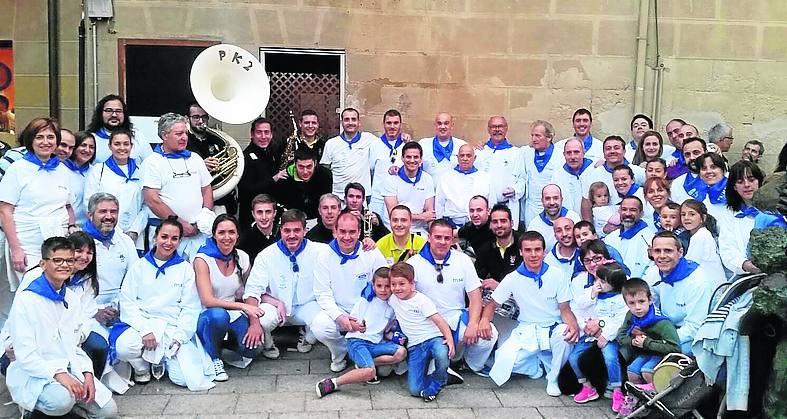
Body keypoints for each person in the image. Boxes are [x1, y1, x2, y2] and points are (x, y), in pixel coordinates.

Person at [5, 237, 117, 418]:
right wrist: (59, 375)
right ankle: (31, 410)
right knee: (61, 401)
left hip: (68, 367)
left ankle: (69, 405)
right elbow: (25, 355)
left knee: (108, 412)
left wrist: (87, 372)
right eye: (57, 260)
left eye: (69, 261)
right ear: (43, 264)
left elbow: (74, 345)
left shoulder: (71, 299)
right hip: (36, 372)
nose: (64, 265)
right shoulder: (27, 300)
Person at [112, 217, 215, 390]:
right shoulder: (139, 266)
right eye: (164, 237)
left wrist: (179, 337)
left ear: (179, 241)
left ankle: (164, 360)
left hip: (171, 328)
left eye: (174, 239)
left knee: (184, 379)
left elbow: (190, 307)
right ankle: (142, 368)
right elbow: (127, 302)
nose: (168, 242)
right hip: (144, 325)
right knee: (124, 347)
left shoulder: (185, 269)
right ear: (155, 237)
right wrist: (145, 330)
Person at [485, 231, 579, 396]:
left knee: (565, 335)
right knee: (503, 364)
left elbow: (564, 308)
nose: (533, 254)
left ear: (544, 251)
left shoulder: (557, 274)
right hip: (526, 330)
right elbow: (492, 304)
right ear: (521, 252)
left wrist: (572, 325)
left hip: (553, 327)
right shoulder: (512, 278)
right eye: (528, 250)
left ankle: (553, 378)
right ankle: (537, 365)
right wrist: (484, 321)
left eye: (537, 249)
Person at [409, 219, 498, 378]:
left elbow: (475, 296)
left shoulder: (462, 260)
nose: (442, 242)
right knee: (433, 363)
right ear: (429, 237)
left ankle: (468, 363)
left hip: (456, 317)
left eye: (447, 238)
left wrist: (473, 323)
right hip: (427, 323)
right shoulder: (414, 263)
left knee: (489, 336)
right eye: (438, 237)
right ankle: (442, 362)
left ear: (452, 239)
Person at [0, 117, 77, 289]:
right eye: (39, 137)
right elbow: (4, 211)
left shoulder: (63, 170)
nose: (45, 142)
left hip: (57, 243)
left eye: (50, 137)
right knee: (32, 289)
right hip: (27, 243)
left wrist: (71, 230)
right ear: (30, 140)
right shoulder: (17, 169)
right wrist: (16, 249)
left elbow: (67, 205)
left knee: (56, 288)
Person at [311, 212, 387, 372]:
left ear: (359, 232)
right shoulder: (324, 255)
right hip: (339, 309)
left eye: (352, 232)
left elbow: (385, 284)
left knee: (385, 371)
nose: (347, 237)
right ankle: (341, 352)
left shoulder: (371, 252)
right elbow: (322, 293)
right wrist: (340, 317)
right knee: (320, 326)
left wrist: (369, 316)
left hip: (366, 310)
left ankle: (362, 349)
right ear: (334, 231)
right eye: (342, 232)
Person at [245, 209, 326, 357]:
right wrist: (255, 324)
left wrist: (367, 244)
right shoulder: (266, 255)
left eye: (297, 230)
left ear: (305, 231)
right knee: (262, 320)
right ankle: (268, 344)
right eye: (287, 230)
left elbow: (345, 250)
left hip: (308, 305)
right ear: (281, 230)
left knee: (326, 325)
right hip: (275, 305)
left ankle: (308, 338)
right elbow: (252, 291)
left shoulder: (320, 251)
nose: (292, 235)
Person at [315, 267, 407, 397]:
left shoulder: (392, 305)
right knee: (370, 372)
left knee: (401, 353)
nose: (383, 290)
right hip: (358, 341)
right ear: (373, 285)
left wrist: (392, 335)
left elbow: (386, 330)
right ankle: (332, 383)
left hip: (375, 343)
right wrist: (358, 326)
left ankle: (363, 364)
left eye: (387, 286)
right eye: (379, 286)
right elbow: (352, 322)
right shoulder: (366, 301)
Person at [194, 214, 259, 382]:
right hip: (208, 313)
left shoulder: (242, 257)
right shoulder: (202, 259)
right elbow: (207, 300)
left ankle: (221, 345)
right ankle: (213, 358)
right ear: (214, 235)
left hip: (233, 311)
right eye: (221, 232)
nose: (227, 237)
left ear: (237, 235)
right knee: (218, 316)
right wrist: (243, 307)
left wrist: (254, 322)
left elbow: (252, 290)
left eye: (232, 232)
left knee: (252, 348)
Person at [141, 113, 213, 258]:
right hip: (167, 236)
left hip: (198, 233)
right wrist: (180, 225)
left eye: (186, 133)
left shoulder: (195, 158)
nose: (184, 138)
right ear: (164, 135)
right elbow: (152, 200)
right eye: (179, 134)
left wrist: (205, 215)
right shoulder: (152, 162)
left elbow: (206, 190)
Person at [386, 262, 455, 402]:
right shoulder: (392, 299)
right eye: (393, 284)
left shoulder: (421, 301)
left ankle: (439, 381)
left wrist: (449, 340)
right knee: (415, 390)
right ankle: (444, 376)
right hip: (415, 346)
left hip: (433, 338)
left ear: (412, 283)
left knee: (442, 354)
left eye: (402, 284)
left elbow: (439, 320)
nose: (397, 288)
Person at [568, 262, 628, 413]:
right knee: (573, 357)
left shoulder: (621, 299)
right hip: (590, 335)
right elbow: (580, 304)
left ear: (614, 284)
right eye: (597, 280)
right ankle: (587, 387)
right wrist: (592, 293)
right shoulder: (594, 292)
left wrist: (606, 336)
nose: (598, 284)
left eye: (602, 281)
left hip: (609, 336)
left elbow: (620, 321)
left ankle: (617, 389)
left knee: (610, 357)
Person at [643, 231, 713, 355]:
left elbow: (695, 327)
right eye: (657, 251)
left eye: (668, 251)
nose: (662, 256)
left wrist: (659, 342)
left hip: (691, 338)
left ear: (680, 252)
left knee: (651, 371)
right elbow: (647, 306)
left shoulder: (698, 281)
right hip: (665, 331)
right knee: (633, 370)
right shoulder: (652, 273)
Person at [82, 193, 139, 323]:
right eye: (103, 212)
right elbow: (73, 288)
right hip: (89, 312)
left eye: (113, 212)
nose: (109, 216)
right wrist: (95, 311)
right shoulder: (79, 244)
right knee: (98, 344)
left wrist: (119, 306)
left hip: (122, 308)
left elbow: (135, 279)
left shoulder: (125, 241)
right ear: (90, 215)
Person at [83, 130, 146, 246]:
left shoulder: (142, 170)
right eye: (117, 144)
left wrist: (135, 230)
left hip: (134, 237)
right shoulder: (98, 170)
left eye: (126, 144)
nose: (122, 148)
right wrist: (113, 230)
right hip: (103, 233)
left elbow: (146, 205)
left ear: (131, 146)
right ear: (109, 146)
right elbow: (88, 203)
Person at [616, 278, 680, 391]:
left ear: (650, 300)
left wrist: (646, 342)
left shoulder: (662, 322)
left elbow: (675, 347)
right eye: (632, 303)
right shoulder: (631, 316)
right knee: (631, 372)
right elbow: (620, 335)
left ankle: (658, 398)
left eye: (641, 301)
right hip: (643, 353)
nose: (637, 307)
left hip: (660, 354)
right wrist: (632, 341)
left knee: (646, 372)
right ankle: (637, 398)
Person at [185, 103, 237, 215]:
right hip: (195, 201)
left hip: (221, 200)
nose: (200, 121)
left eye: (204, 117)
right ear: (187, 118)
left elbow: (233, 163)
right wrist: (201, 166)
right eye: (196, 117)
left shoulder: (218, 139)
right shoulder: (184, 142)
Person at [475, 116, 526, 224]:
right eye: (493, 127)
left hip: (508, 206)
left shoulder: (516, 153)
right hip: (485, 209)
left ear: (506, 128)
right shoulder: (480, 152)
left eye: (500, 126)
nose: (497, 129)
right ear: (488, 129)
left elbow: (522, 179)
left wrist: (515, 190)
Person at [581, 135, 645, 221]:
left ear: (624, 151)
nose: (612, 151)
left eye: (616, 148)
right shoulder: (593, 174)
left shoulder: (636, 171)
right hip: (604, 226)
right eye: (608, 148)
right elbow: (586, 205)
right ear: (603, 152)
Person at [718, 160, 766, 274]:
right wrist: (744, 264)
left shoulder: (777, 208)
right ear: (734, 186)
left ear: (759, 181)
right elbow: (727, 249)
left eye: (751, 179)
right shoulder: (729, 213)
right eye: (740, 181)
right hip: (747, 277)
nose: (747, 185)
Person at [320, 108, 378, 201]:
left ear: (359, 122)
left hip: (361, 198)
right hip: (338, 196)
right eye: (346, 119)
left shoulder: (369, 139)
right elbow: (324, 171)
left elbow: (387, 141)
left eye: (353, 119)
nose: (350, 123)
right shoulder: (331, 144)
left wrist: (402, 137)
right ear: (341, 122)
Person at [238, 117, 283, 228]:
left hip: (272, 214)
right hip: (251, 217)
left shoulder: (274, 152)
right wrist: (274, 179)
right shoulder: (245, 158)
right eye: (259, 132)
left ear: (271, 135)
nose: (263, 137)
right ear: (252, 135)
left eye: (266, 132)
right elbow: (247, 190)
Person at [382, 141, 435, 235]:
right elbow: (394, 213)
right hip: (394, 230)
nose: (412, 160)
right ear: (402, 158)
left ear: (421, 159)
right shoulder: (391, 180)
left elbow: (430, 213)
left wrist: (433, 236)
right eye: (408, 157)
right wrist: (421, 217)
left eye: (416, 157)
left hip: (420, 231)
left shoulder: (427, 179)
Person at [436, 144, 491, 227]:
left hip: (478, 226)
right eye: (462, 156)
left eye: (468, 156)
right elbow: (439, 204)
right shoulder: (446, 177)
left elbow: (491, 203)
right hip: (452, 224)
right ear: (458, 158)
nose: (465, 159)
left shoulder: (485, 177)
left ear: (474, 158)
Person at [271, 147, 332, 221]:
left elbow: (325, 201)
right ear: (295, 164)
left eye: (309, 167)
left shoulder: (325, 175)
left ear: (315, 163)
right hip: (291, 218)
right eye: (301, 167)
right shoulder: (284, 178)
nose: (305, 171)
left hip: (317, 218)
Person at [86, 94, 151, 163]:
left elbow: (150, 165)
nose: (114, 115)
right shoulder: (91, 139)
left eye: (118, 111)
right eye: (109, 110)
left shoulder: (138, 137)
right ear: (100, 114)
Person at [522, 120, 564, 226]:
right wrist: (482, 146)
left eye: (538, 136)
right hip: (531, 208)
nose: (533, 139)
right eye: (532, 135)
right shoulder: (526, 152)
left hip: (552, 208)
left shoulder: (560, 156)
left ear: (549, 137)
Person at [369, 109, 407, 226]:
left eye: (395, 123)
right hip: (378, 199)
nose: (392, 126)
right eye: (388, 123)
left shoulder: (407, 145)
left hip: (399, 199)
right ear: (383, 124)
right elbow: (370, 171)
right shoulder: (374, 144)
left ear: (400, 125)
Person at [603, 196, 655, 277]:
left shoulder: (650, 239)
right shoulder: (610, 238)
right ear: (619, 211)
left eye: (633, 210)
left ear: (641, 214)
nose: (627, 214)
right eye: (624, 209)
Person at [680, 199, 726, 287]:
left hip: (712, 287)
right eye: (683, 214)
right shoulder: (700, 234)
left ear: (703, 218)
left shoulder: (701, 236)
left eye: (692, 214)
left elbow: (688, 265)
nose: (686, 218)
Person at [417, 112, 467, 186]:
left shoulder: (462, 145)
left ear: (452, 126)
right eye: (439, 123)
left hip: (454, 193)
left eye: (446, 123)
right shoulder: (423, 144)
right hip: (429, 193)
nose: (442, 127)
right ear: (435, 126)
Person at [527, 184, 581, 250]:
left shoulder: (573, 217)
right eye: (547, 198)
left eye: (555, 198)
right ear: (542, 201)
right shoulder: (535, 224)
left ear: (561, 199)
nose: (552, 202)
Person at [551, 138, 593, 215]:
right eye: (569, 153)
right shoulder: (557, 175)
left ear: (584, 152)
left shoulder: (594, 169)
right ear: (564, 154)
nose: (572, 157)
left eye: (576, 152)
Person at [64, 131, 97, 227]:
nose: (87, 150)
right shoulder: (62, 169)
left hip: (88, 226)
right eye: (83, 145)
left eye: (91, 147)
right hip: (66, 225)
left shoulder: (95, 171)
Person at [237, 194, 279, 261]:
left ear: (274, 213)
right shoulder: (244, 240)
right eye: (259, 212)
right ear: (253, 214)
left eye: (268, 212)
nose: (264, 217)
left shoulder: (284, 234)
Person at [670, 137, 709, 204]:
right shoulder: (677, 184)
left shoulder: (724, 179)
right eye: (687, 154)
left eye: (696, 152)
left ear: (706, 153)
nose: (692, 157)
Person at [694, 151, 731, 220]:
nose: (708, 171)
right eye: (704, 168)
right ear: (700, 175)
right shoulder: (699, 197)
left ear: (724, 170)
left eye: (713, 167)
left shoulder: (735, 190)